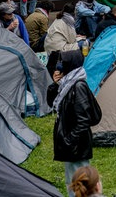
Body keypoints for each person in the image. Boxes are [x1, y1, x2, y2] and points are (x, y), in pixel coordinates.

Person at [47, 50, 102, 197]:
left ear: (71, 65)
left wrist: (69, 141)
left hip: (77, 145)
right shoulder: (67, 83)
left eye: (63, 63)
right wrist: (55, 84)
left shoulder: (78, 86)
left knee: (81, 183)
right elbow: (51, 102)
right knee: (72, 181)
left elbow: (83, 121)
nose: (60, 66)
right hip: (72, 145)